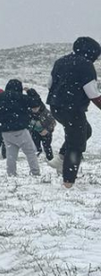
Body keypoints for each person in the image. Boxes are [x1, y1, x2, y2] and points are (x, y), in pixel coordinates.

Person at [47, 36, 101, 188]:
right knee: (76, 144)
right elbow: (93, 93)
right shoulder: (86, 66)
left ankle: (60, 159)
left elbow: (49, 84)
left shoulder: (60, 62)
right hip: (73, 108)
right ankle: (68, 183)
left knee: (85, 131)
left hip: (56, 106)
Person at [0, 78, 41, 178]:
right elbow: (36, 103)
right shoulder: (21, 97)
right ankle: (35, 172)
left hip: (5, 131)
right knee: (30, 151)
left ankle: (11, 173)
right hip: (20, 129)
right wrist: (30, 92)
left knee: (11, 153)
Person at [26, 89, 55, 160]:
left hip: (46, 132)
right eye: (33, 109)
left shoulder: (45, 112)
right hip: (35, 131)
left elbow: (53, 122)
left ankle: (50, 158)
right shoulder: (29, 113)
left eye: (36, 108)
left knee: (47, 146)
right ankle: (37, 154)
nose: (35, 110)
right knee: (36, 145)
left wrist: (47, 130)